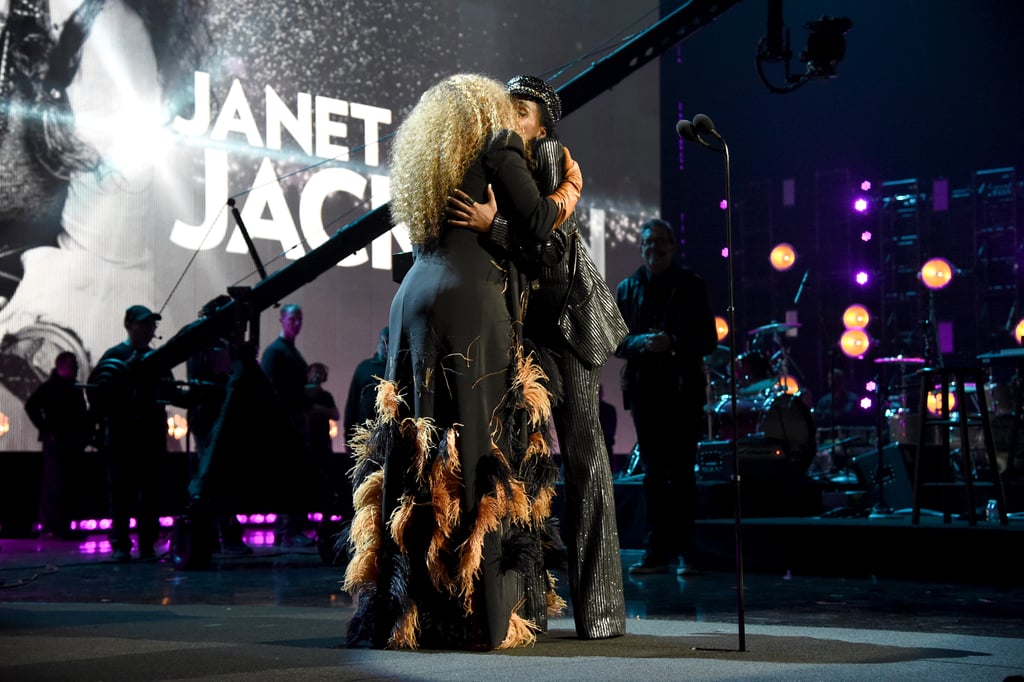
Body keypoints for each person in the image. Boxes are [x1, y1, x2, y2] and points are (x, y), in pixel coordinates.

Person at [343, 73, 582, 651]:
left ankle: (405, 615)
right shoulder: (496, 144)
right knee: (476, 442)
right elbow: (537, 221)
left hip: (414, 301)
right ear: (489, 110)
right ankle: (474, 614)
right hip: (469, 302)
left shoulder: (432, 159)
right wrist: (570, 186)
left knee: (413, 446)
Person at [445, 74, 627, 640]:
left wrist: (490, 226)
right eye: (510, 108)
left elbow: (547, 249)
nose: (511, 117)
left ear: (542, 123)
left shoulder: (545, 155)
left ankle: (596, 612)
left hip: (567, 329)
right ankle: (531, 609)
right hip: (533, 332)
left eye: (520, 110)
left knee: (583, 461)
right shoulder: (511, 160)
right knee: (525, 466)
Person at [614, 218, 718, 576]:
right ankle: (657, 551)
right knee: (653, 474)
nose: (654, 248)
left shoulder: (691, 285)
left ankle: (686, 552)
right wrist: (643, 343)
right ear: (640, 247)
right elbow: (615, 341)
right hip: (646, 393)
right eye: (648, 242)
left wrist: (672, 344)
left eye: (660, 241)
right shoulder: (627, 288)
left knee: (683, 474)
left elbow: (708, 340)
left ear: (672, 246)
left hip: (683, 392)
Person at [88, 304, 177, 561]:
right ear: (129, 325)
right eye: (144, 324)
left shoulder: (157, 358)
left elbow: (170, 391)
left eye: (151, 325)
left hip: (150, 435)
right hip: (121, 435)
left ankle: (147, 543)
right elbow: (97, 392)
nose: (149, 330)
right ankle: (121, 544)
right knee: (121, 491)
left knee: (150, 492)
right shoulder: (114, 354)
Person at [260, 303, 315, 547]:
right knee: (287, 478)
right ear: (282, 320)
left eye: (300, 320)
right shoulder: (276, 352)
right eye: (293, 319)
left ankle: (291, 529)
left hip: (294, 424)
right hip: (284, 426)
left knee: (294, 477)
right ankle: (287, 530)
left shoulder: (289, 352)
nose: (297, 324)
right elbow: (269, 392)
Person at [24, 351, 91, 538]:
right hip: (58, 443)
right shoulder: (50, 387)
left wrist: (86, 435)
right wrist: (46, 429)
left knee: (68, 484)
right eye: (73, 365)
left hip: (71, 443)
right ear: (61, 366)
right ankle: (55, 526)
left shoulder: (74, 388)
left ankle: (63, 525)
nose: (76, 369)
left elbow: (81, 414)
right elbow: (31, 406)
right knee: (56, 484)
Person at [342, 327, 388, 444]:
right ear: (379, 344)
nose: (386, 347)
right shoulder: (364, 368)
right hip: (366, 433)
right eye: (384, 343)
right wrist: (349, 435)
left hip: (390, 434)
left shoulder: (400, 370)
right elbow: (352, 402)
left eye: (390, 343)